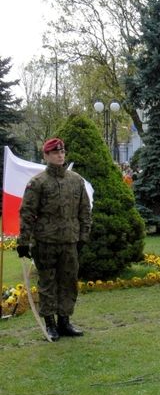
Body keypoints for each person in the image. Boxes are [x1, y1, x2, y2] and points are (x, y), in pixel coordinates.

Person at [17, 138, 92, 341]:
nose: (60, 155)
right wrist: (23, 241)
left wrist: (83, 236)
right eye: (55, 153)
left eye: (62, 152)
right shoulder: (38, 182)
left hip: (70, 241)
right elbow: (27, 213)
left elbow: (85, 211)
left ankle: (65, 322)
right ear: (46, 156)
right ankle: (50, 324)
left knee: (68, 282)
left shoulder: (76, 180)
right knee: (48, 282)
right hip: (45, 242)